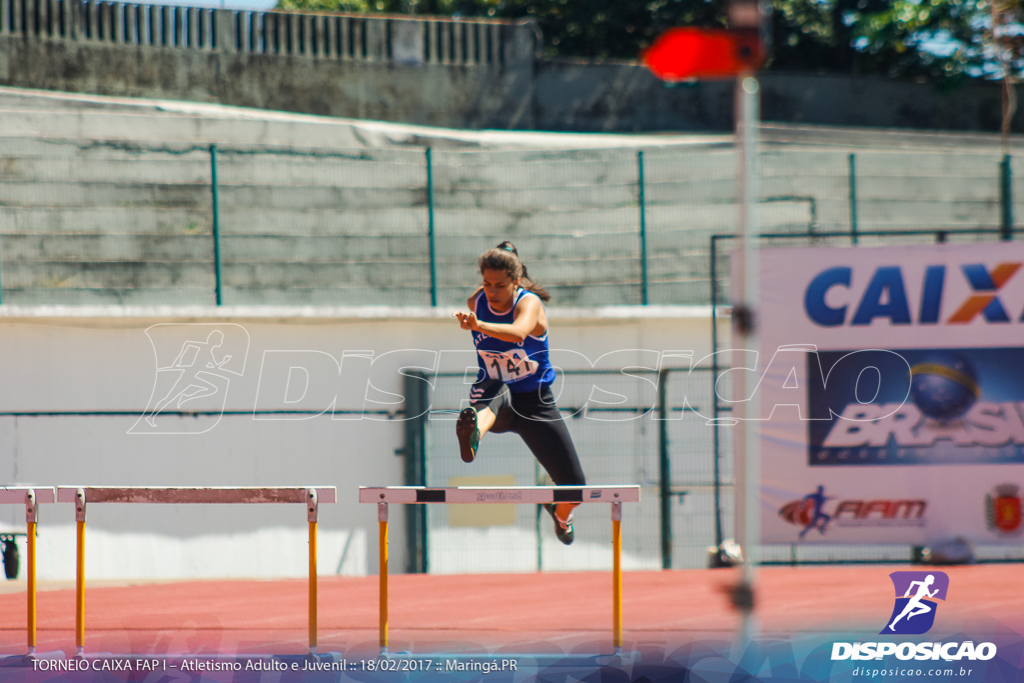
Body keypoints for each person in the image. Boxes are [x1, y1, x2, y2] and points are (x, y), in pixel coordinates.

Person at [452, 241, 586, 545]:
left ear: (516, 280)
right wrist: (480, 315)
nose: (492, 292)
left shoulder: (529, 304)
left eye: (500, 285)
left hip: (533, 402)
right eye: (486, 284)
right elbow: (484, 293)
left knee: (575, 488)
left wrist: (479, 325)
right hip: (494, 394)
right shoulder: (477, 301)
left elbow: (518, 332)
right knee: (492, 390)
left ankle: (561, 514)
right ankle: (474, 433)